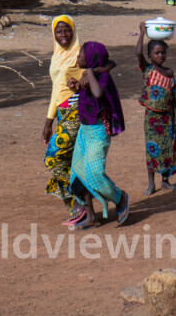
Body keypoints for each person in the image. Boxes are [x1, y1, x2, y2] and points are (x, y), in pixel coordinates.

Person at [67, 41, 130, 228]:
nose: (77, 58)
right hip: (85, 130)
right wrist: (77, 87)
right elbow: (89, 95)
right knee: (78, 173)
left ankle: (119, 198)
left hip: (98, 132)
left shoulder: (100, 76)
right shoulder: (92, 74)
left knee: (94, 173)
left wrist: (91, 72)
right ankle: (91, 216)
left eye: (80, 54)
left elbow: (97, 92)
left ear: (92, 59)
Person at [41, 14, 85, 223]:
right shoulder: (56, 55)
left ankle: (80, 201)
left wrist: (80, 86)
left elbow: (91, 78)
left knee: (53, 157)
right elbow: (55, 90)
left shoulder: (80, 54)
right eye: (59, 31)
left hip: (76, 111)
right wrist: (48, 123)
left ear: (73, 30)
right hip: (61, 113)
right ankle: (76, 208)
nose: (63, 35)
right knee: (67, 161)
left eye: (66, 30)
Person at [136, 29, 176, 195]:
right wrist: (142, 32)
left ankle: (165, 181)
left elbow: (173, 97)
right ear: (150, 55)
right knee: (152, 149)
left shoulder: (169, 73)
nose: (161, 56)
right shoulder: (147, 69)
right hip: (152, 118)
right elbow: (138, 52)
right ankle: (151, 184)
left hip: (167, 117)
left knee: (167, 149)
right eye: (157, 53)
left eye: (163, 52)